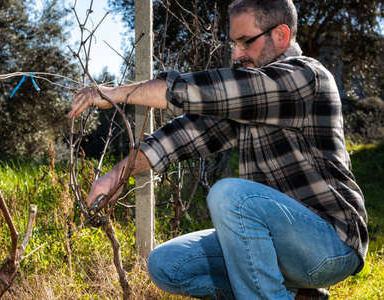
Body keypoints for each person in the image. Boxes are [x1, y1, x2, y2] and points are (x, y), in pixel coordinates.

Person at [69, 0, 368, 299]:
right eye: (233, 43)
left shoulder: (305, 78)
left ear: (281, 35)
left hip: (331, 243)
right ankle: (295, 294)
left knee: (231, 196)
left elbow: (200, 92)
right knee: (168, 264)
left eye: (245, 42)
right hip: (279, 243)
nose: (237, 54)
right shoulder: (249, 101)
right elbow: (180, 138)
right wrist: (115, 175)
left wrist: (115, 94)